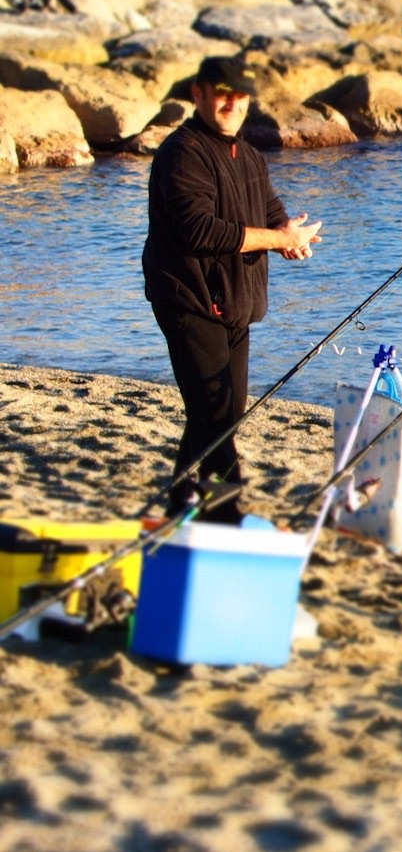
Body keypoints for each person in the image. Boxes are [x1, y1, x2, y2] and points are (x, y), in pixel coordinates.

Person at [143, 54, 325, 520]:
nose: (231, 104)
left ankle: (184, 508)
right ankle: (224, 515)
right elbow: (197, 231)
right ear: (199, 94)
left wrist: (288, 234)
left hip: (235, 303)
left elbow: (267, 209)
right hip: (189, 299)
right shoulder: (182, 152)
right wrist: (276, 238)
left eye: (239, 95)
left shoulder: (248, 155)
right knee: (219, 417)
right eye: (221, 94)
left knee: (219, 415)